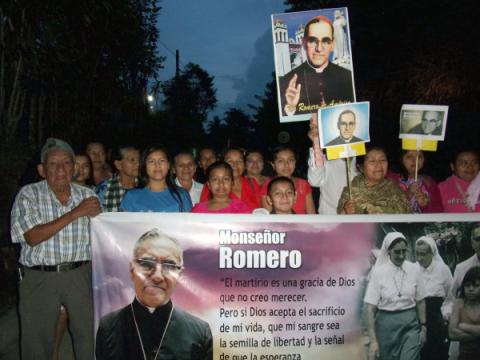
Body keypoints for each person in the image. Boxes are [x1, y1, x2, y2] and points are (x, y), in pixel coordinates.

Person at [10, 137, 102, 359]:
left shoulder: (88, 195)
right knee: (36, 342)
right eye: (53, 163)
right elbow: (31, 236)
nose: (60, 168)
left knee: (88, 337)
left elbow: (103, 235)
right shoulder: (28, 194)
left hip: (80, 274)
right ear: (42, 169)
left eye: (66, 163)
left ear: (74, 167)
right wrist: (74, 213)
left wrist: (100, 217)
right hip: (40, 278)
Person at [95, 229, 212, 359]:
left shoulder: (200, 332)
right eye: (146, 264)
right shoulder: (108, 326)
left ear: (179, 275)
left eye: (168, 266)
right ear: (132, 269)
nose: (157, 276)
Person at [364, 232, 427, 360]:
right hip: (386, 326)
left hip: (410, 324)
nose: (401, 255)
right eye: (397, 252)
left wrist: (424, 327)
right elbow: (370, 308)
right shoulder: (379, 273)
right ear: (388, 252)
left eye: (404, 251)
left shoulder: (414, 269)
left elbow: (420, 301)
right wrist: (373, 340)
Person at [279, 15, 354, 116]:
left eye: (326, 41)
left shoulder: (348, 77)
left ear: (333, 45)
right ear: (304, 43)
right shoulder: (285, 82)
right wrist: (291, 107)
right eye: (312, 40)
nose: (319, 48)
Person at [307, 115, 358, 214]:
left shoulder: (364, 166)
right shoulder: (327, 164)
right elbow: (315, 181)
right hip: (331, 223)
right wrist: (316, 142)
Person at [337, 146, 411, 214]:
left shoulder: (394, 189)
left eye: (382, 160)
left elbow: (407, 217)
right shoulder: (351, 192)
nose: (379, 164)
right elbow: (340, 222)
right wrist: (346, 212)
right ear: (360, 167)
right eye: (372, 161)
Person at [120, 146, 192, 212]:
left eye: (162, 160)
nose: (157, 165)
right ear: (144, 166)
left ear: (169, 165)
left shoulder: (182, 195)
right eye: (151, 161)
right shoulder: (132, 196)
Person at [414, 236, 452, 360]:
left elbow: (450, 296)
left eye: (423, 254)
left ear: (432, 253)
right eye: (417, 254)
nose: (420, 258)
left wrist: (445, 315)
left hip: (437, 321)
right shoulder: (412, 269)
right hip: (417, 321)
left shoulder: (442, 270)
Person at [260, 146, 316, 214]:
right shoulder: (267, 185)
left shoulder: (304, 184)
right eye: (280, 161)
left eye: (290, 160)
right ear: (273, 164)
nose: (286, 165)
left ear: (295, 162)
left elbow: (312, 215)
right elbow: (268, 217)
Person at [448, 266, 480, 360]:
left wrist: (462, 326)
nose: (471, 289)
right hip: (465, 354)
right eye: (467, 285)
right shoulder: (458, 304)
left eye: (476, 285)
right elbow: (452, 334)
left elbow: (456, 329)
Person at [96, 145, 140, 212]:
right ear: (118, 165)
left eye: (139, 159)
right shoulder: (104, 189)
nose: (138, 164)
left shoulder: (145, 186)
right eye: (132, 160)